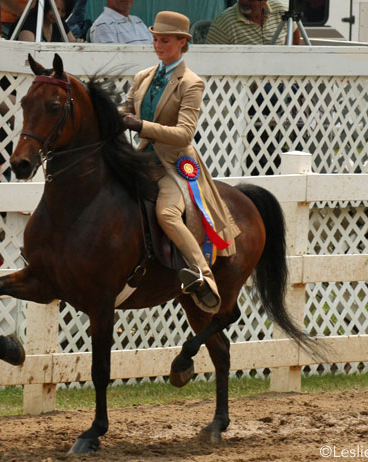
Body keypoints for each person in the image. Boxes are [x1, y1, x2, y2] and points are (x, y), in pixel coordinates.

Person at [121, 11, 241, 314]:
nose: (157, 45)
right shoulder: (143, 77)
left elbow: (185, 132)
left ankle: (204, 277)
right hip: (140, 161)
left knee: (167, 214)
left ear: (181, 43)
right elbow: (122, 110)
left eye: (164, 40)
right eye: (155, 39)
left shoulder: (191, 83)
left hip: (173, 166)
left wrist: (141, 126)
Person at [206, 0, 300, 45]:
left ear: (264, 1)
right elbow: (210, 58)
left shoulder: (281, 10)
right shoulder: (224, 22)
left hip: (281, 78)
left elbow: (294, 32)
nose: (244, 2)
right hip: (243, 80)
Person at [2, 0, 82, 42]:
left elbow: (72, 43)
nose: (58, 15)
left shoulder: (58, 22)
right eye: (55, 9)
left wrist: (78, 44)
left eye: (63, 11)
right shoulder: (29, 22)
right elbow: (28, 54)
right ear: (46, 5)